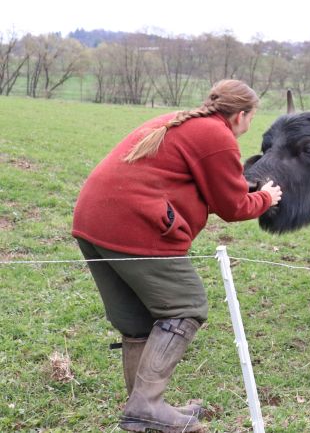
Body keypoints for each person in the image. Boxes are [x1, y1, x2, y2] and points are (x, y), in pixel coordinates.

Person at [72, 79, 281, 433]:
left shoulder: (181, 121)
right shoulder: (217, 137)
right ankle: (147, 405)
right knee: (186, 306)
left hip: (93, 222)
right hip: (132, 228)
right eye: (251, 119)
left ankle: (141, 410)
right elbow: (232, 207)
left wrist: (243, 185)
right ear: (241, 116)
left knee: (138, 322)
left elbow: (197, 180)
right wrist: (267, 198)